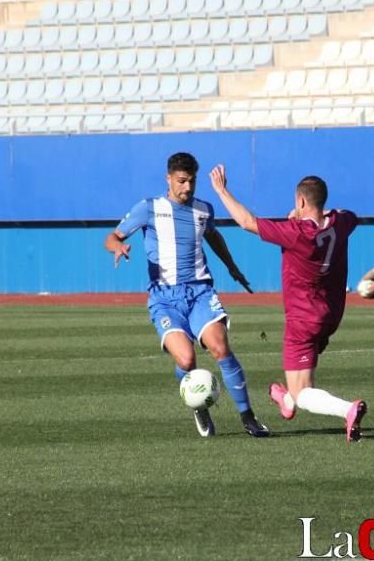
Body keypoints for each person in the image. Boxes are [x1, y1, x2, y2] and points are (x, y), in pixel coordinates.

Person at [104, 152, 270, 438]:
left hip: (200, 291)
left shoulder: (203, 210)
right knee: (186, 361)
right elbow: (113, 236)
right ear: (169, 178)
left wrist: (233, 268)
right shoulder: (148, 208)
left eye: (192, 181)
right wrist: (117, 248)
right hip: (164, 298)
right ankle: (198, 404)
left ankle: (248, 417)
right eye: (181, 181)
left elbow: (214, 237)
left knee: (220, 348)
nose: (187, 188)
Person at [209, 165, 368, 443]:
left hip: (303, 318)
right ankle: (284, 399)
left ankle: (347, 409)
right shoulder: (341, 225)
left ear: (301, 201)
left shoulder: (295, 232)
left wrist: (222, 190)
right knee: (296, 387)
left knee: (302, 392)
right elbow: (347, 215)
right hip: (331, 315)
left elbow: (247, 221)